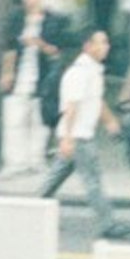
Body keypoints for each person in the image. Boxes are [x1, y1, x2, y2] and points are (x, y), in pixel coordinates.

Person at [44, 27, 116, 233]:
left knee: (54, 179)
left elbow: (96, 101)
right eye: (100, 42)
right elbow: (71, 107)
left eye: (106, 42)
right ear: (88, 46)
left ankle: (31, 212)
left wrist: (110, 121)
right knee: (92, 179)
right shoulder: (79, 73)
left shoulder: (93, 71)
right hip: (78, 136)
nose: (105, 47)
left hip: (78, 134)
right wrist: (67, 138)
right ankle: (107, 223)